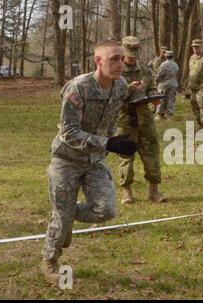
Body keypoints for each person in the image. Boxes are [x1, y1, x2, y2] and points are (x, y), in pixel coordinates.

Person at [41, 39, 137, 283]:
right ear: (98, 61)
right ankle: (50, 261)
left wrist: (116, 140)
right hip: (66, 159)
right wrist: (107, 143)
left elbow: (112, 118)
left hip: (94, 160)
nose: (120, 63)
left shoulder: (120, 86)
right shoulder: (78, 88)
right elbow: (68, 133)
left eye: (122, 58)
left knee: (106, 210)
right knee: (60, 219)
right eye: (113, 58)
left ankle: (66, 215)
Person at [118, 36, 167, 205]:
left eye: (134, 54)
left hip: (145, 119)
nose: (132, 58)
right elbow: (111, 96)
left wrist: (154, 97)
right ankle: (127, 192)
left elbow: (151, 86)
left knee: (151, 154)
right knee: (126, 157)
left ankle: (154, 191)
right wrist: (128, 88)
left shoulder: (144, 68)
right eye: (129, 55)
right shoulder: (116, 70)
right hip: (125, 119)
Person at [154, 50, 179, 120]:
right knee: (171, 99)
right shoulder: (175, 65)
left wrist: (156, 81)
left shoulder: (163, 64)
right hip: (173, 84)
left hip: (164, 84)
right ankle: (170, 115)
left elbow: (159, 74)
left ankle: (160, 115)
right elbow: (176, 73)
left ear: (165, 56)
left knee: (162, 99)